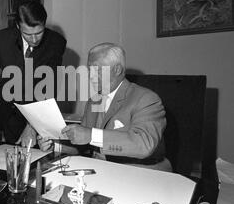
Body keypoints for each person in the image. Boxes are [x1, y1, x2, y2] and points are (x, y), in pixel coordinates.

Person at [39, 43, 172, 172]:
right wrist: (54, 146)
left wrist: (91, 135)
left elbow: (143, 145)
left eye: (96, 70)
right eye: (89, 70)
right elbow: (83, 146)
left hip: (143, 173)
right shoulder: (94, 101)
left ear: (117, 69)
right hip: (102, 172)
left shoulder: (146, 99)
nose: (90, 76)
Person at [0, 1, 66, 146]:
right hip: (1, 112)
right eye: (28, 34)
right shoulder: (1, 39)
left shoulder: (56, 43)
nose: (34, 39)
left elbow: (48, 89)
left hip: (33, 113)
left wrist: (32, 126)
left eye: (39, 33)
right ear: (18, 26)